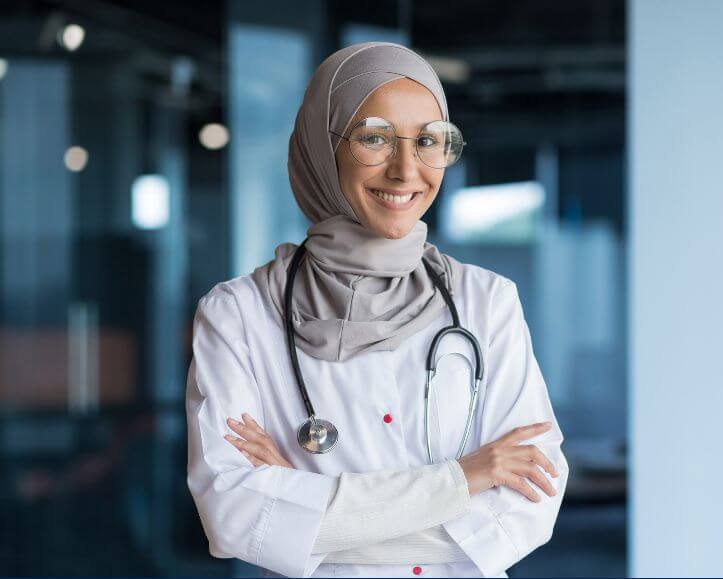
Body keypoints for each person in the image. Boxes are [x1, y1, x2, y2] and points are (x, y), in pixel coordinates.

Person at [185, 41, 569, 578]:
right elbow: (234, 517)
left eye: (429, 141)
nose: (406, 169)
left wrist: (307, 507)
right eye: (373, 138)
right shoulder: (239, 315)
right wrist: (463, 481)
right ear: (324, 147)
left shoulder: (487, 302)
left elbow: (527, 510)